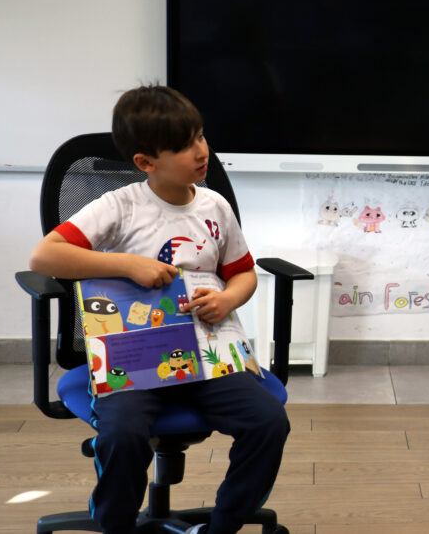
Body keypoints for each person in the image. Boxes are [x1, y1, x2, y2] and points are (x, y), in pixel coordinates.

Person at [29, 85, 289, 534]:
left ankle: (223, 526)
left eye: (201, 136)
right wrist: (128, 265)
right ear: (146, 163)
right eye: (184, 145)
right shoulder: (119, 206)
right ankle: (117, 526)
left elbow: (243, 273)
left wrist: (228, 297)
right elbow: (45, 257)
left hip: (208, 356)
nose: (201, 151)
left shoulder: (215, 208)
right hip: (138, 360)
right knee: (123, 435)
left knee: (269, 423)